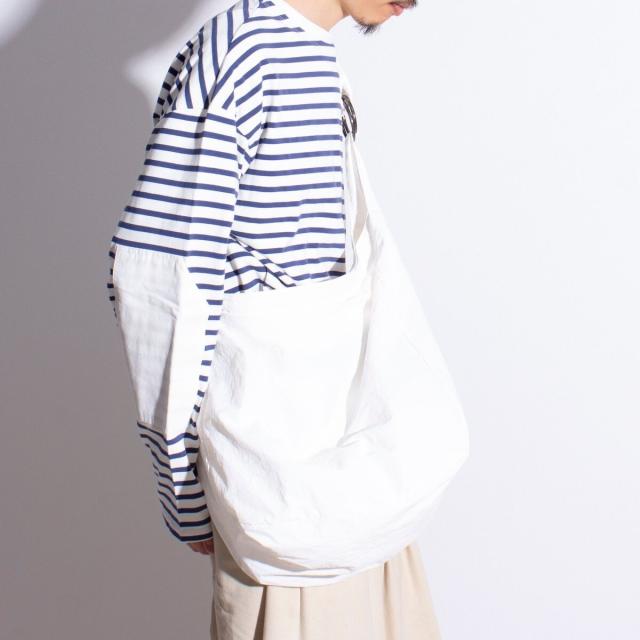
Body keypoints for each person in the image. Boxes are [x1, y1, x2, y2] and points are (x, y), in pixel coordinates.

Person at [107, 0, 442, 637]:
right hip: (280, 469)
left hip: (354, 469)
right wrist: (184, 484)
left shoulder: (311, 55)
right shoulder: (242, 52)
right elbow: (164, 276)